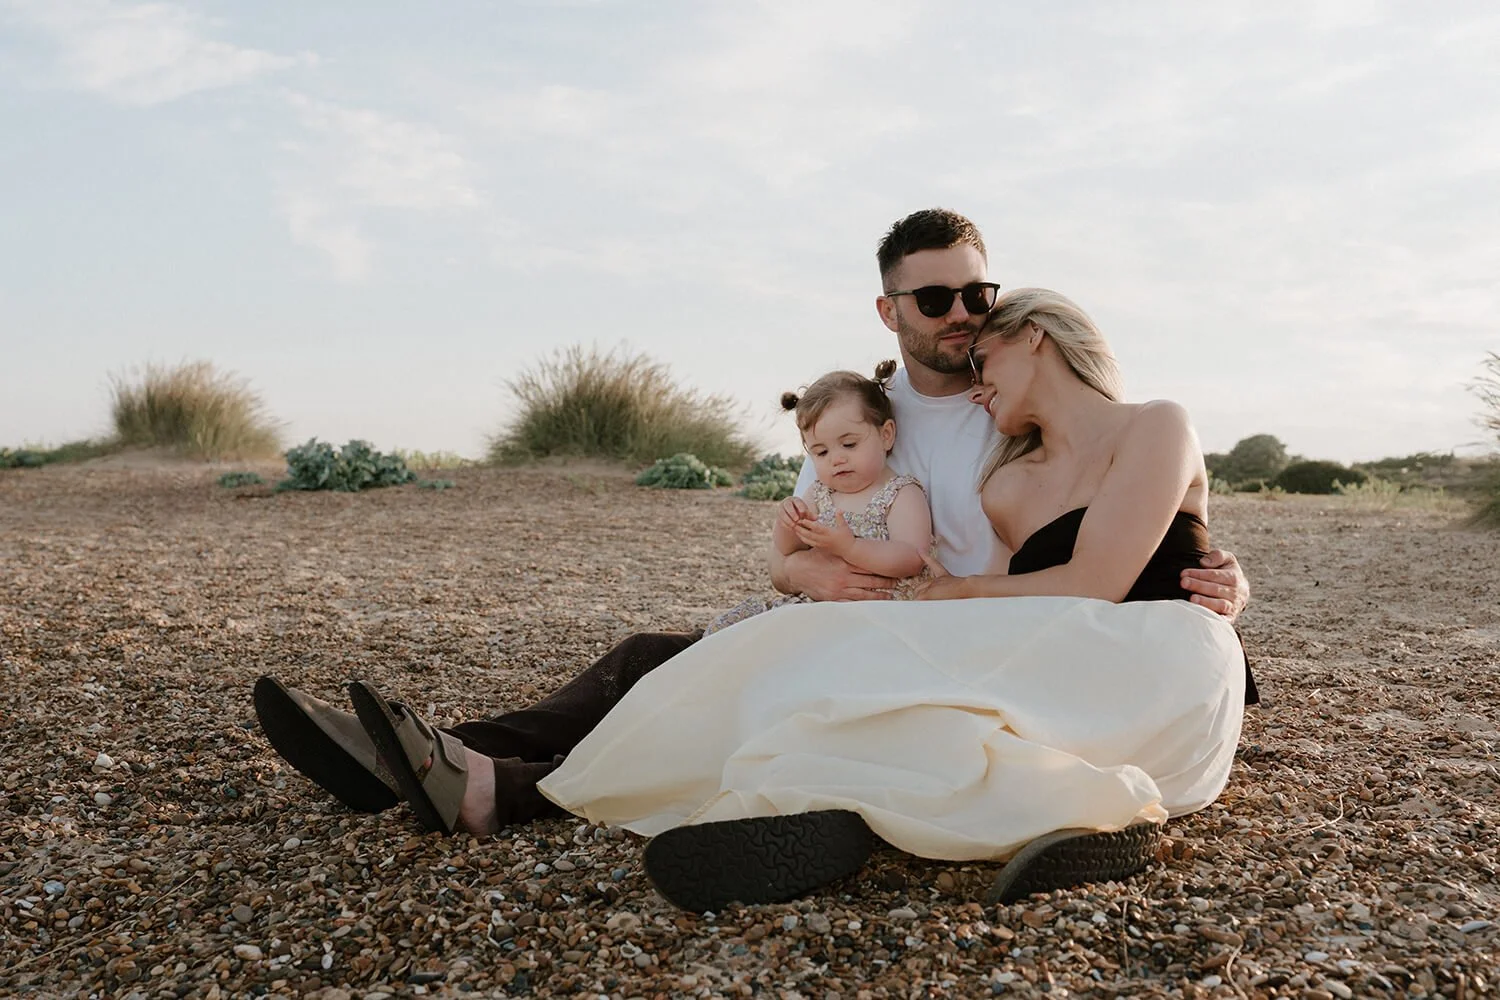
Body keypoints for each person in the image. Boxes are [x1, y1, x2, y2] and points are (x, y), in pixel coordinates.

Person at [252, 208, 1252, 906]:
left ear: (1018, 320)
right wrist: (805, 577)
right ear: (890, 312)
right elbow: (813, 541)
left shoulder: (1037, 441)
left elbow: (1096, 570)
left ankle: (477, 775)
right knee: (682, 658)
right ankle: (436, 755)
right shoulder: (874, 419)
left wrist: (1222, 578)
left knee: (774, 687)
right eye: (938, 300)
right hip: (917, 617)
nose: (963, 323)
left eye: (978, 302)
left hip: (961, 628)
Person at [704, 360, 932, 636]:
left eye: (849, 444)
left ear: (886, 435)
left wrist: (851, 549)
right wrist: (788, 522)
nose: (836, 459)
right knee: (740, 638)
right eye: (821, 452)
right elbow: (787, 550)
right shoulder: (819, 493)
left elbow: (913, 557)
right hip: (815, 608)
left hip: (878, 616)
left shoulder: (901, 493)